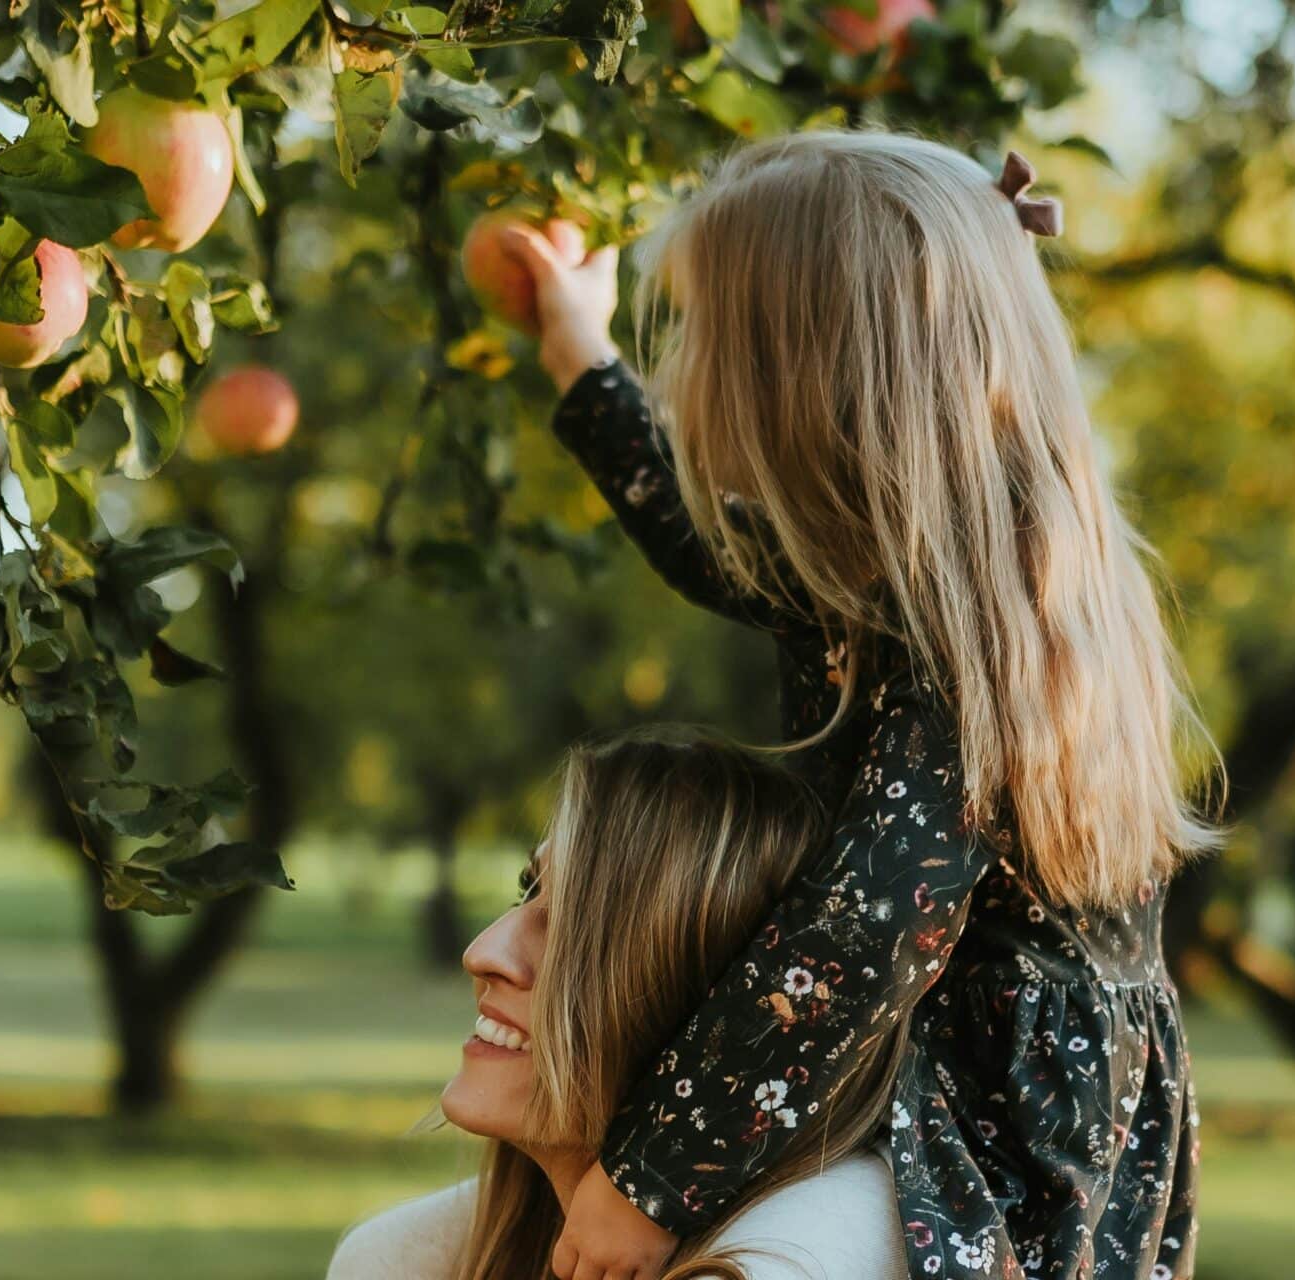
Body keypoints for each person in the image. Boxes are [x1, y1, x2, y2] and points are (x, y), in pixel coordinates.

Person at [503, 132, 1219, 1279]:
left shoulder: (965, 620)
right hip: (947, 1077)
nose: (682, 368)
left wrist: (650, 1177)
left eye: (701, 333)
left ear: (807, 366)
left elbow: (863, 925)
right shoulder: (895, 570)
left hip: (999, 1124)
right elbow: (698, 546)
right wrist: (580, 359)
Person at [328, 729, 910, 1279]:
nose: (482, 953)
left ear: (723, 1009)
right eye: (528, 889)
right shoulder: (407, 1258)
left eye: (577, 927)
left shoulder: (797, 1259)